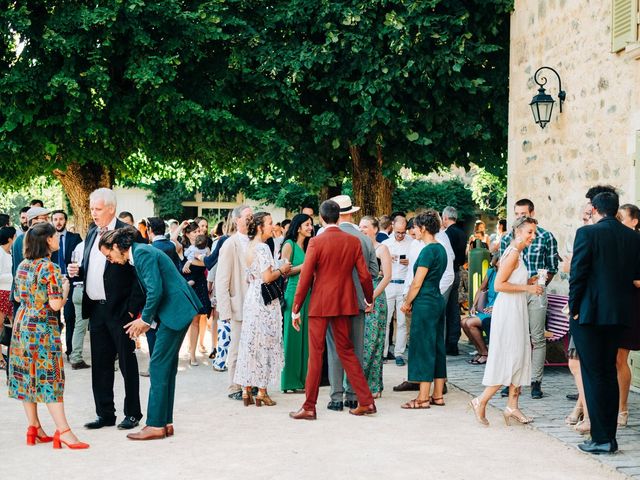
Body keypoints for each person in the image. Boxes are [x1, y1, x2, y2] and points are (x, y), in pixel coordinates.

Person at [98, 227, 202, 440]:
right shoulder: (141, 252)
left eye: (109, 255)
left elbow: (155, 290)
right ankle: (165, 422)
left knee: (158, 366)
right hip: (176, 310)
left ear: (117, 246)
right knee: (166, 367)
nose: (110, 260)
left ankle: (155, 425)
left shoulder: (142, 253)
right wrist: (145, 320)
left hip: (174, 311)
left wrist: (144, 320)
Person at [67, 188, 145, 431]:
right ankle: (105, 414)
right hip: (96, 309)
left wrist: (132, 310)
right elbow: (93, 267)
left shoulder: (129, 233)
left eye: (97, 209)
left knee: (126, 364)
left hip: (121, 310)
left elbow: (139, 275)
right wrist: (77, 273)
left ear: (111, 208)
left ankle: (132, 413)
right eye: (91, 208)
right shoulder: (91, 233)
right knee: (100, 365)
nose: (93, 213)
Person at [289, 200, 375, 420]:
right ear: (339, 217)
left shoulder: (316, 242)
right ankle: (366, 401)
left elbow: (306, 277)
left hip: (320, 304)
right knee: (347, 351)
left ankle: (309, 406)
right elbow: (365, 275)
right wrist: (368, 298)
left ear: (320, 217)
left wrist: (296, 307)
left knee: (315, 355)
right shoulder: (353, 241)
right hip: (345, 302)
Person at [569, 192, 640, 454]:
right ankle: (607, 436)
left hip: (590, 314)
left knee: (593, 374)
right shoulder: (632, 237)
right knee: (608, 373)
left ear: (596, 209)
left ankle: (601, 438)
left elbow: (577, 274)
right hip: (620, 315)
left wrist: (574, 308)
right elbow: (635, 276)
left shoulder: (587, 234)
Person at [8, 223, 89, 449]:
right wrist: (66, 288)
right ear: (47, 241)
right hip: (42, 327)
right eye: (54, 237)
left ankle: (34, 427)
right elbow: (55, 304)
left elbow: (16, 296)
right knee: (49, 377)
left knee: (27, 375)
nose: (57, 240)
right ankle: (63, 431)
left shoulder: (23, 265)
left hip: (22, 323)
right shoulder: (50, 268)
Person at [469, 216, 542, 426]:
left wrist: (528, 281)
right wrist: (528, 288)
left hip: (516, 308)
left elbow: (511, 281)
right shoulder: (512, 254)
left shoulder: (517, 253)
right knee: (510, 357)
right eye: (529, 232)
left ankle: (512, 406)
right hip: (509, 310)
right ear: (518, 232)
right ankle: (480, 400)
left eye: (534, 232)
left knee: (519, 356)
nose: (532, 236)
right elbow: (499, 285)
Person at [499, 198, 558, 399]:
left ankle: (536, 382)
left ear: (531, 213)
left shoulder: (546, 237)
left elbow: (551, 267)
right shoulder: (509, 238)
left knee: (537, 337)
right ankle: (511, 380)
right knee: (514, 336)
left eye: (523, 213)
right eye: (516, 214)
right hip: (514, 291)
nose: (519, 217)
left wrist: (540, 286)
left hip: (536, 291)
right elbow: (502, 269)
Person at [326, 195, 378, 412]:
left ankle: (336, 396)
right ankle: (353, 394)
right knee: (356, 348)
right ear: (351, 213)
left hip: (333, 301)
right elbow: (373, 272)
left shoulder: (324, 236)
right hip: (357, 300)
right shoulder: (364, 238)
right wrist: (367, 295)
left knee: (335, 349)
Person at [234, 212, 291, 407]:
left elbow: (251, 276)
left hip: (252, 297)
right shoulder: (263, 247)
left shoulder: (248, 246)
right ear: (260, 227)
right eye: (269, 223)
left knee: (251, 341)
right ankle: (262, 391)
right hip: (265, 300)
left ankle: (246, 389)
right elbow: (267, 277)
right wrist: (282, 270)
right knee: (265, 341)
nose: (273, 226)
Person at [399, 211, 448, 409]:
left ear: (424, 228)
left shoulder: (427, 251)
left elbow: (417, 282)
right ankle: (437, 395)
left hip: (425, 301)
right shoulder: (441, 249)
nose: (413, 231)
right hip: (436, 299)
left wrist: (406, 302)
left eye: (416, 227)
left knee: (422, 347)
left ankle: (422, 397)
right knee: (437, 347)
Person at [215, 205, 253, 400]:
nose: (250, 219)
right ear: (237, 219)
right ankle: (234, 386)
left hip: (255, 303)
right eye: (247, 216)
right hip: (238, 303)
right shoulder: (230, 244)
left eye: (252, 216)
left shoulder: (257, 242)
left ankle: (250, 383)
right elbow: (222, 280)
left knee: (253, 345)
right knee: (237, 348)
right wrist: (225, 311)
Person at [280, 213, 314, 392]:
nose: (310, 227)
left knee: (305, 340)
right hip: (293, 293)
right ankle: (289, 381)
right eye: (307, 224)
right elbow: (284, 271)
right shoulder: (289, 245)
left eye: (311, 224)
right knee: (292, 338)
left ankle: (302, 380)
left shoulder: (309, 245)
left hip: (309, 294)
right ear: (298, 226)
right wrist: (307, 264)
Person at [359, 216, 391, 397]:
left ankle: (374, 386)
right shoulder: (358, 247)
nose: (362, 229)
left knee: (374, 342)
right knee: (361, 342)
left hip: (376, 297)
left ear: (375, 229)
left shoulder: (382, 248)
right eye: (360, 226)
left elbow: (386, 276)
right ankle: (359, 383)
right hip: (360, 296)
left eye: (365, 227)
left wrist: (371, 297)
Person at [615, 203, 640, 428]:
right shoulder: (616, 243)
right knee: (613, 358)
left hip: (633, 306)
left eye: (622, 218)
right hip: (615, 305)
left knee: (620, 357)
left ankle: (622, 408)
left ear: (634, 222)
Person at [50, 210, 83, 364]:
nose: (58, 222)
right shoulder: (49, 240)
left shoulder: (74, 238)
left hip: (70, 282)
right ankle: (55, 351)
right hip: (53, 282)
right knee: (54, 319)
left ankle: (70, 351)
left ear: (65, 220)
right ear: (52, 221)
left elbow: (80, 259)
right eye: (55, 219)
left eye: (61, 219)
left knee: (70, 317)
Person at [381, 215, 412, 365]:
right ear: (392, 226)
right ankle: (384, 352)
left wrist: (410, 262)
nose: (400, 235)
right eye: (398, 232)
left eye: (403, 232)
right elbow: (378, 266)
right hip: (388, 284)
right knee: (386, 320)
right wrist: (387, 259)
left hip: (404, 284)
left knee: (401, 322)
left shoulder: (411, 243)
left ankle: (399, 353)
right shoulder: (385, 243)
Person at [181, 222, 212, 366]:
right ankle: (189, 350)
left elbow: (207, 263)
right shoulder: (183, 248)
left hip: (199, 284)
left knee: (196, 320)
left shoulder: (205, 248)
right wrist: (181, 226)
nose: (199, 232)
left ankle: (193, 353)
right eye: (195, 231)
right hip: (187, 285)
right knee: (188, 320)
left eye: (200, 230)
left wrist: (191, 262)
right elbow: (173, 241)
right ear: (187, 233)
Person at [461, 255, 499, 365]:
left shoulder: (509, 276)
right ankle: (480, 351)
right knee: (463, 322)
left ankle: (485, 354)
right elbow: (481, 288)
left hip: (498, 310)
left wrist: (496, 308)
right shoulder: (491, 272)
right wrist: (473, 305)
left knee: (470, 323)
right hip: (487, 309)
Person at [442, 206, 467, 356]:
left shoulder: (446, 234)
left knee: (444, 309)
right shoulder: (462, 233)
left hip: (447, 273)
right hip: (457, 271)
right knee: (454, 308)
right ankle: (453, 343)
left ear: (445, 218)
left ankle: (445, 343)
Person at [0, 226, 16, 370]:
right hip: (1, 293)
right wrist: (14, 276)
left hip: (10, 292)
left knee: (13, 326)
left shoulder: (10, 253)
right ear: (10, 238)